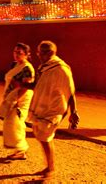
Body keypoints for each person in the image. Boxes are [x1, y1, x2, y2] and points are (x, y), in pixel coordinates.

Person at [28, 40, 79, 180]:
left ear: (51, 52)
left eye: (42, 52)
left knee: (45, 137)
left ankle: (51, 169)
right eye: (38, 52)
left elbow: (70, 90)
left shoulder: (61, 68)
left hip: (54, 109)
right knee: (42, 136)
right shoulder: (45, 67)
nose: (39, 55)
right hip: (42, 107)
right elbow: (39, 86)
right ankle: (49, 166)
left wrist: (73, 111)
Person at [0, 43, 35, 160]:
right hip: (10, 97)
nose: (16, 55)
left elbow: (26, 87)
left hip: (20, 100)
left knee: (16, 124)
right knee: (11, 124)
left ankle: (21, 150)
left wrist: (17, 100)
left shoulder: (27, 69)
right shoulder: (15, 65)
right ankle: (20, 149)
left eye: (20, 53)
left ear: (27, 55)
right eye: (15, 52)